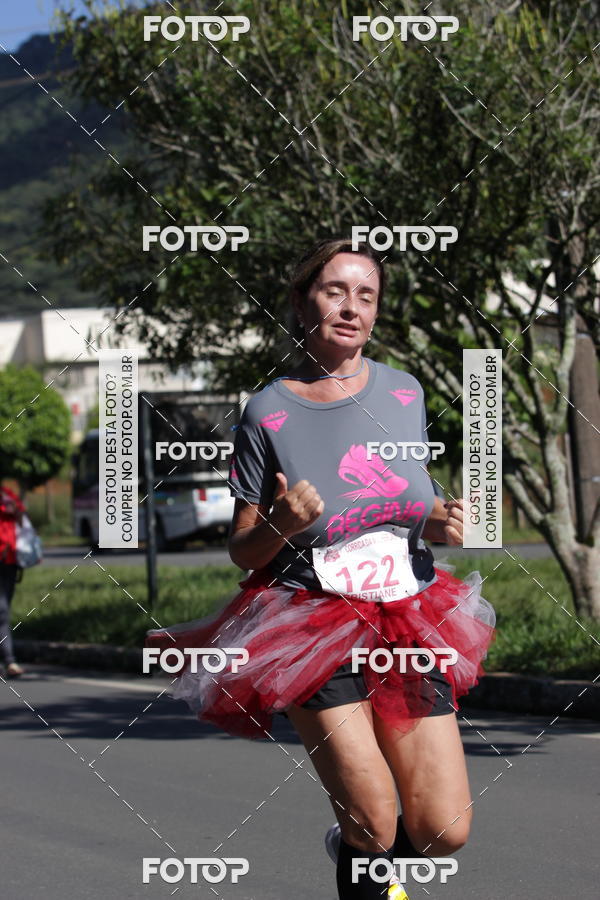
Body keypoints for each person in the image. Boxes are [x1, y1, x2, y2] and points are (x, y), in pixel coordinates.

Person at [146, 238, 496, 899]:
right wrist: (282, 523)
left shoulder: (403, 393)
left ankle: (356, 847)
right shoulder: (267, 411)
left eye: (366, 296)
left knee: (442, 830)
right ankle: (360, 845)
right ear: (301, 303)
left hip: (408, 617)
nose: (351, 307)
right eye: (335, 291)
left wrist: (440, 522)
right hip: (311, 624)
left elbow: (403, 504)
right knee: (374, 819)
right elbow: (243, 548)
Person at [0, 485, 26, 677]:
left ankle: (9, 661)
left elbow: (22, 520)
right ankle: (9, 660)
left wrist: (14, 510)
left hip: (9, 561)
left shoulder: (7, 494)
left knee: (3, 611)